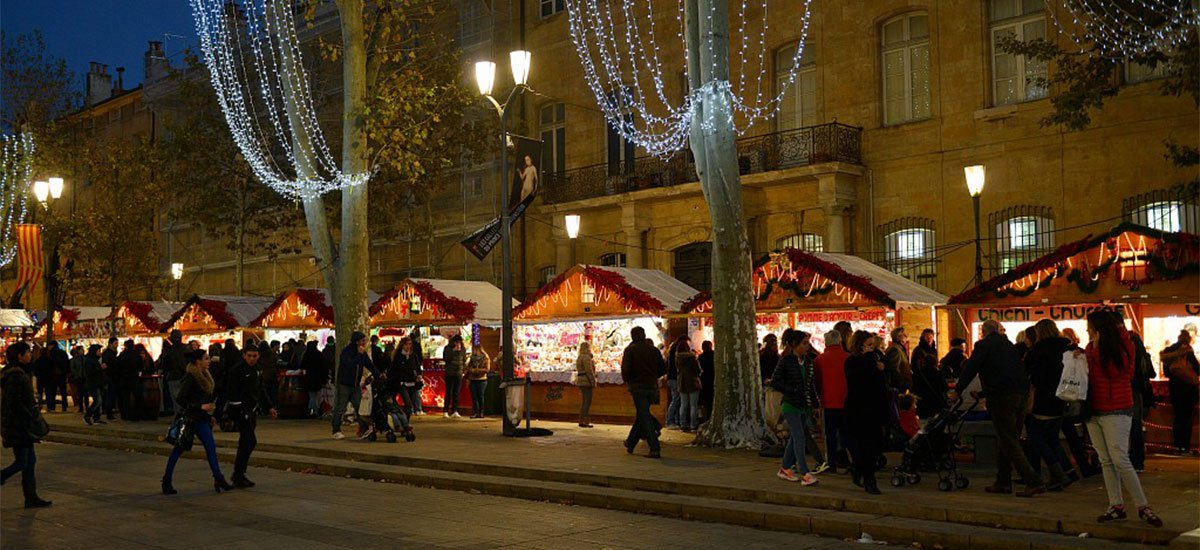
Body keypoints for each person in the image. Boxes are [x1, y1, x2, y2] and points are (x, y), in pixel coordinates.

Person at [1083, 311, 1161, 527]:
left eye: (1089, 326)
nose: (1087, 330)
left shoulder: (1122, 345)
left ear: (1099, 328)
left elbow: (1119, 372)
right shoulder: (1091, 347)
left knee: (1119, 459)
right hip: (1094, 409)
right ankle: (1116, 505)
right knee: (1106, 460)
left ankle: (1143, 506)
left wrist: (1096, 350)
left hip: (1117, 408)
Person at [957, 319, 1045, 497]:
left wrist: (958, 390)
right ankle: (1003, 481)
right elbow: (1007, 372)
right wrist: (982, 394)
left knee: (1009, 440)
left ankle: (1033, 480)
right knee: (1009, 437)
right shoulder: (1009, 345)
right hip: (1021, 394)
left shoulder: (983, 345)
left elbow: (971, 368)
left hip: (1001, 398)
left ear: (984, 332)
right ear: (998, 330)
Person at [161, 349, 235, 495]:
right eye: (206, 358)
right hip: (190, 419)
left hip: (201, 418)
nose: (209, 361)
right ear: (198, 361)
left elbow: (204, 399)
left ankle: (218, 478)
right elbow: (181, 398)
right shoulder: (191, 377)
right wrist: (199, 407)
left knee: (210, 447)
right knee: (178, 449)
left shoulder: (205, 375)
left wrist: (209, 415)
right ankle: (166, 480)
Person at [1023, 319, 1073, 491]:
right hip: (1062, 397)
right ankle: (1064, 473)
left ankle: (1059, 473)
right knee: (1052, 438)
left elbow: (1036, 375)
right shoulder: (1067, 347)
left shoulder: (1040, 350)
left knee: (1036, 436)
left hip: (1044, 398)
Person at [1, 341, 52, 508]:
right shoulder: (16, 375)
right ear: (19, 356)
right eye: (28, 353)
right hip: (19, 425)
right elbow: (14, 401)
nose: (30, 355)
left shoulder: (14, 373)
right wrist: (29, 415)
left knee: (30, 461)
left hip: (20, 425)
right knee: (23, 461)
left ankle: (31, 497)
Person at [223, 342, 278, 488]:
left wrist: (269, 406)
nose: (252, 359)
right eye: (249, 356)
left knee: (245, 442)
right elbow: (231, 392)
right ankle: (239, 473)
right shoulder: (237, 370)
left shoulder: (257, 369)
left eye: (255, 356)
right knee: (249, 441)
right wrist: (238, 410)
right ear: (244, 355)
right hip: (241, 410)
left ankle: (239, 473)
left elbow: (261, 389)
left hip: (252, 410)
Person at [771, 329, 821, 485]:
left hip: (803, 405)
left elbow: (810, 384)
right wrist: (791, 389)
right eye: (804, 343)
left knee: (795, 438)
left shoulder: (808, 362)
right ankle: (805, 472)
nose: (807, 347)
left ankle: (785, 468)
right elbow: (775, 381)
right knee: (799, 437)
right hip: (790, 404)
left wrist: (815, 404)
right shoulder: (786, 361)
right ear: (794, 345)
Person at [844, 330, 889, 495]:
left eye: (873, 345)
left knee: (873, 445)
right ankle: (868, 478)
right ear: (860, 345)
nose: (872, 349)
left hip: (874, 409)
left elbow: (882, 379)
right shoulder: (854, 362)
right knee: (865, 446)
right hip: (859, 409)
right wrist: (873, 362)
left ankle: (861, 471)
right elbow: (860, 381)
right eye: (869, 345)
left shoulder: (875, 360)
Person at [621, 326, 665, 458]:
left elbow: (626, 371)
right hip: (651, 386)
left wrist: (630, 380)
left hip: (638, 387)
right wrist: (652, 376)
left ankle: (654, 447)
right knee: (642, 414)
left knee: (644, 416)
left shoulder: (630, 350)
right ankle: (631, 442)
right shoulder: (653, 350)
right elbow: (663, 369)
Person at [332, 331, 379, 439]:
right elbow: (349, 364)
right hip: (345, 383)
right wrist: (359, 355)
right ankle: (336, 429)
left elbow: (369, 365)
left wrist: (378, 374)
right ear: (357, 342)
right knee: (340, 407)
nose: (364, 343)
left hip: (355, 385)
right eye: (362, 341)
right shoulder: (346, 351)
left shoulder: (363, 353)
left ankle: (364, 429)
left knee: (360, 407)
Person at [814, 330, 850, 472]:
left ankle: (832, 462)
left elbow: (816, 382)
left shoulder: (820, 359)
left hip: (828, 402)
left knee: (830, 435)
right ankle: (847, 459)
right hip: (846, 401)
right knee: (846, 433)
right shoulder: (848, 357)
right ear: (840, 341)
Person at [1161, 330, 1199, 456]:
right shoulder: (1188, 351)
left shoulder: (1169, 351)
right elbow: (1197, 370)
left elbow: (1166, 373)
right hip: (1188, 389)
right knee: (1187, 418)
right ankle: (1185, 447)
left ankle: (1177, 446)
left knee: (1178, 417)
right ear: (1188, 339)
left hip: (1175, 388)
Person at [1128, 332, 1155, 470]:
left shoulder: (1129, 354)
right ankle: (1138, 461)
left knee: (1130, 428)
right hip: (1141, 393)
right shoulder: (1144, 356)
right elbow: (1152, 373)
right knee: (1137, 427)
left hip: (1130, 391)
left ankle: (1132, 460)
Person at [390, 338, 423, 416]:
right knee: (408, 403)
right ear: (402, 345)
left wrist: (419, 375)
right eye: (406, 344)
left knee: (409, 405)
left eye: (410, 344)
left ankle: (405, 422)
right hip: (402, 383)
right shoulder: (398, 356)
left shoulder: (413, 355)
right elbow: (394, 369)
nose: (408, 346)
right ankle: (403, 421)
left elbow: (418, 367)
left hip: (413, 383)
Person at [675, 339, 702, 432]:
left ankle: (682, 424)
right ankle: (693, 425)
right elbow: (697, 370)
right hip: (693, 382)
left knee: (683, 404)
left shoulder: (677, 358)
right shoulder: (692, 358)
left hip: (682, 382)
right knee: (693, 405)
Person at [116, 340, 144, 422]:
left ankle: (126, 415)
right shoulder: (137, 356)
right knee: (137, 397)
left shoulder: (122, 355)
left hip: (124, 379)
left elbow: (118, 366)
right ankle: (136, 415)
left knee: (125, 398)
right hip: (134, 378)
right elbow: (140, 367)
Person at [161, 330, 187, 414]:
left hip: (173, 377)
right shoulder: (186, 349)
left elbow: (164, 365)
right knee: (185, 399)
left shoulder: (168, 351)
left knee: (176, 400)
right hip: (185, 377)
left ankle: (179, 417)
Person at [300, 340, 328, 418]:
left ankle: (312, 409)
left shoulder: (306, 355)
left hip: (309, 377)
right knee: (316, 395)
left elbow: (302, 365)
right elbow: (324, 366)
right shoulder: (319, 354)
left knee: (312, 395)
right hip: (318, 378)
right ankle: (315, 410)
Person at [442, 335, 466, 418]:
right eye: (457, 342)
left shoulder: (463, 349)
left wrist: (463, 371)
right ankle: (445, 410)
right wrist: (453, 351)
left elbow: (464, 359)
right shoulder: (447, 348)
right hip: (449, 373)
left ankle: (454, 410)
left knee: (456, 393)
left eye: (459, 342)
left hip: (458, 373)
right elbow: (446, 358)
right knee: (449, 392)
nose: (458, 344)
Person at [82, 344, 107, 425]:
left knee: (99, 400)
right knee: (97, 400)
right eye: (98, 351)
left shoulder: (95, 359)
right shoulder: (90, 360)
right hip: (93, 383)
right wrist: (100, 368)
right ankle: (88, 415)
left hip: (98, 383)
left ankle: (96, 418)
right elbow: (90, 372)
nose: (100, 352)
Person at [574, 342, 596, 427]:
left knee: (584, 401)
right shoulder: (586, 357)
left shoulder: (580, 357)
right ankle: (583, 420)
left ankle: (584, 420)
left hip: (581, 380)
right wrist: (593, 381)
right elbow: (589, 371)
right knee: (587, 401)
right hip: (586, 381)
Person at [883, 327, 912, 392]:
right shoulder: (895, 350)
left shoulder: (899, 348)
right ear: (898, 337)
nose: (906, 336)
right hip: (899, 387)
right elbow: (894, 369)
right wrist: (902, 383)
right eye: (904, 335)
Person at [466, 346, 491, 419]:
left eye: (474, 350)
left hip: (482, 379)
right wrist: (470, 370)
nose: (473, 351)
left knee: (480, 396)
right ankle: (476, 412)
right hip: (473, 379)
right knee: (474, 397)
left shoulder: (485, 358)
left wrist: (477, 370)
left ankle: (481, 412)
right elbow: (468, 367)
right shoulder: (471, 358)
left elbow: (487, 369)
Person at [664, 336, 682, 430]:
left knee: (676, 400)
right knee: (676, 400)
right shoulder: (676, 353)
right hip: (674, 378)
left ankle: (675, 420)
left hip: (671, 378)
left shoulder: (671, 352)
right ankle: (670, 421)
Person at [101, 337, 120, 420]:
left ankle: (110, 411)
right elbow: (106, 366)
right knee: (110, 395)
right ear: (110, 344)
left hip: (113, 377)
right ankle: (109, 413)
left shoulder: (112, 353)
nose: (117, 345)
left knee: (111, 395)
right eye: (115, 343)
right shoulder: (108, 354)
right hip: (110, 377)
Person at [698, 341, 715, 422]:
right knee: (712, 399)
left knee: (705, 401)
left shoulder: (701, 357)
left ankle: (706, 418)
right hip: (713, 379)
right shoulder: (715, 355)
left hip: (704, 380)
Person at [68, 345, 86, 413]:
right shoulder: (75, 360)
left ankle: (83, 406)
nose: (83, 351)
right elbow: (73, 369)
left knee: (83, 393)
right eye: (81, 349)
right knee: (79, 392)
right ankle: (80, 406)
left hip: (83, 377)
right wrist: (77, 375)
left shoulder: (84, 358)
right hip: (78, 378)